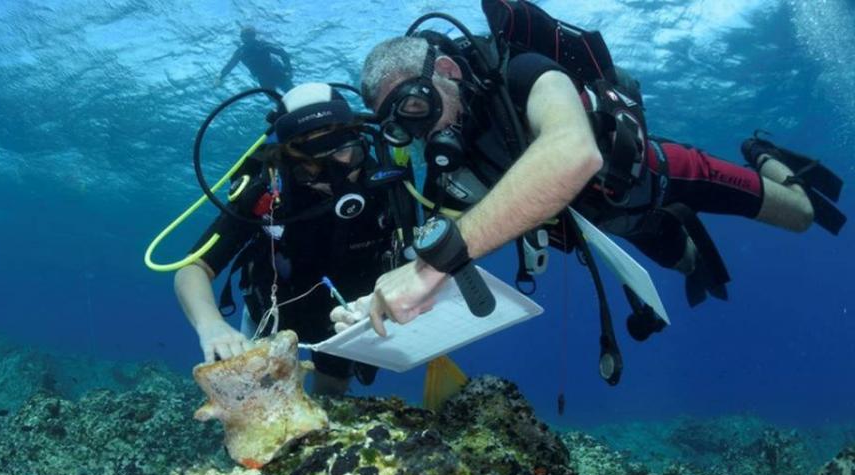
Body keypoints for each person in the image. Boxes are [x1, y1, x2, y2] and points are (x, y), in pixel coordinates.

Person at [332, 6, 846, 340]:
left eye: (414, 107)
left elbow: (574, 154)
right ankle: (678, 235)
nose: (418, 132)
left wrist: (427, 270)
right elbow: (433, 251)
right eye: (398, 127)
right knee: (691, 266)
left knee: (800, 214)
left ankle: (761, 152)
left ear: (445, 71)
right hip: (613, 230)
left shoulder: (523, 72)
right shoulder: (449, 170)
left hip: (661, 174)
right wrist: (375, 304)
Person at [175, 82, 406, 396]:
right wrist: (211, 325)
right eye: (311, 164)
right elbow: (192, 271)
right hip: (272, 314)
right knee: (258, 400)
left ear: (359, 139)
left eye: (343, 151)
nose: (333, 176)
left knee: (332, 395)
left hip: (347, 316)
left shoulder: (384, 185)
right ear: (288, 160)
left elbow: (416, 257)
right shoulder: (268, 192)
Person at [215, 27, 293, 92]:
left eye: (249, 36)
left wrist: (288, 68)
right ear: (242, 38)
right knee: (277, 100)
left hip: (276, 71)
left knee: (292, 93)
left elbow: (282, 52)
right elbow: (230, 65)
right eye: (245, 36)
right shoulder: (241, 52)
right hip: (263, 78)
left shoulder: (262, 45)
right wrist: (220, 77)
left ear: (253, 36)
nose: (247, 39)